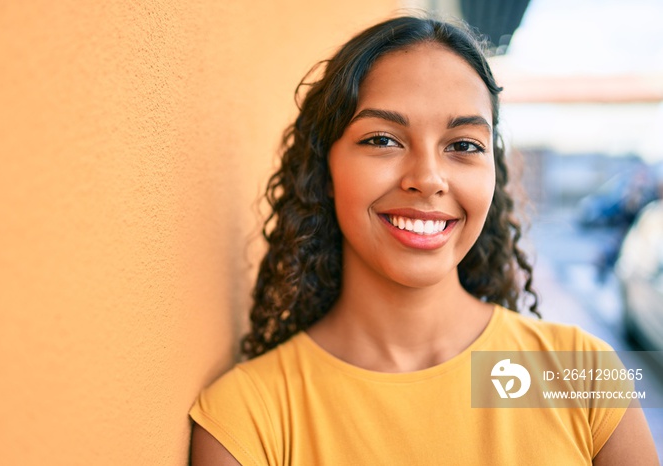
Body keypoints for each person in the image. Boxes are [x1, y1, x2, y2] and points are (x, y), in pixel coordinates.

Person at [190, 15, 658, 465]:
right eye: (383, 140)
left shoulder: (586, 376)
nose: (428, 178)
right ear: (324, 170)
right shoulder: (246, 419)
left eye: (463, 146)